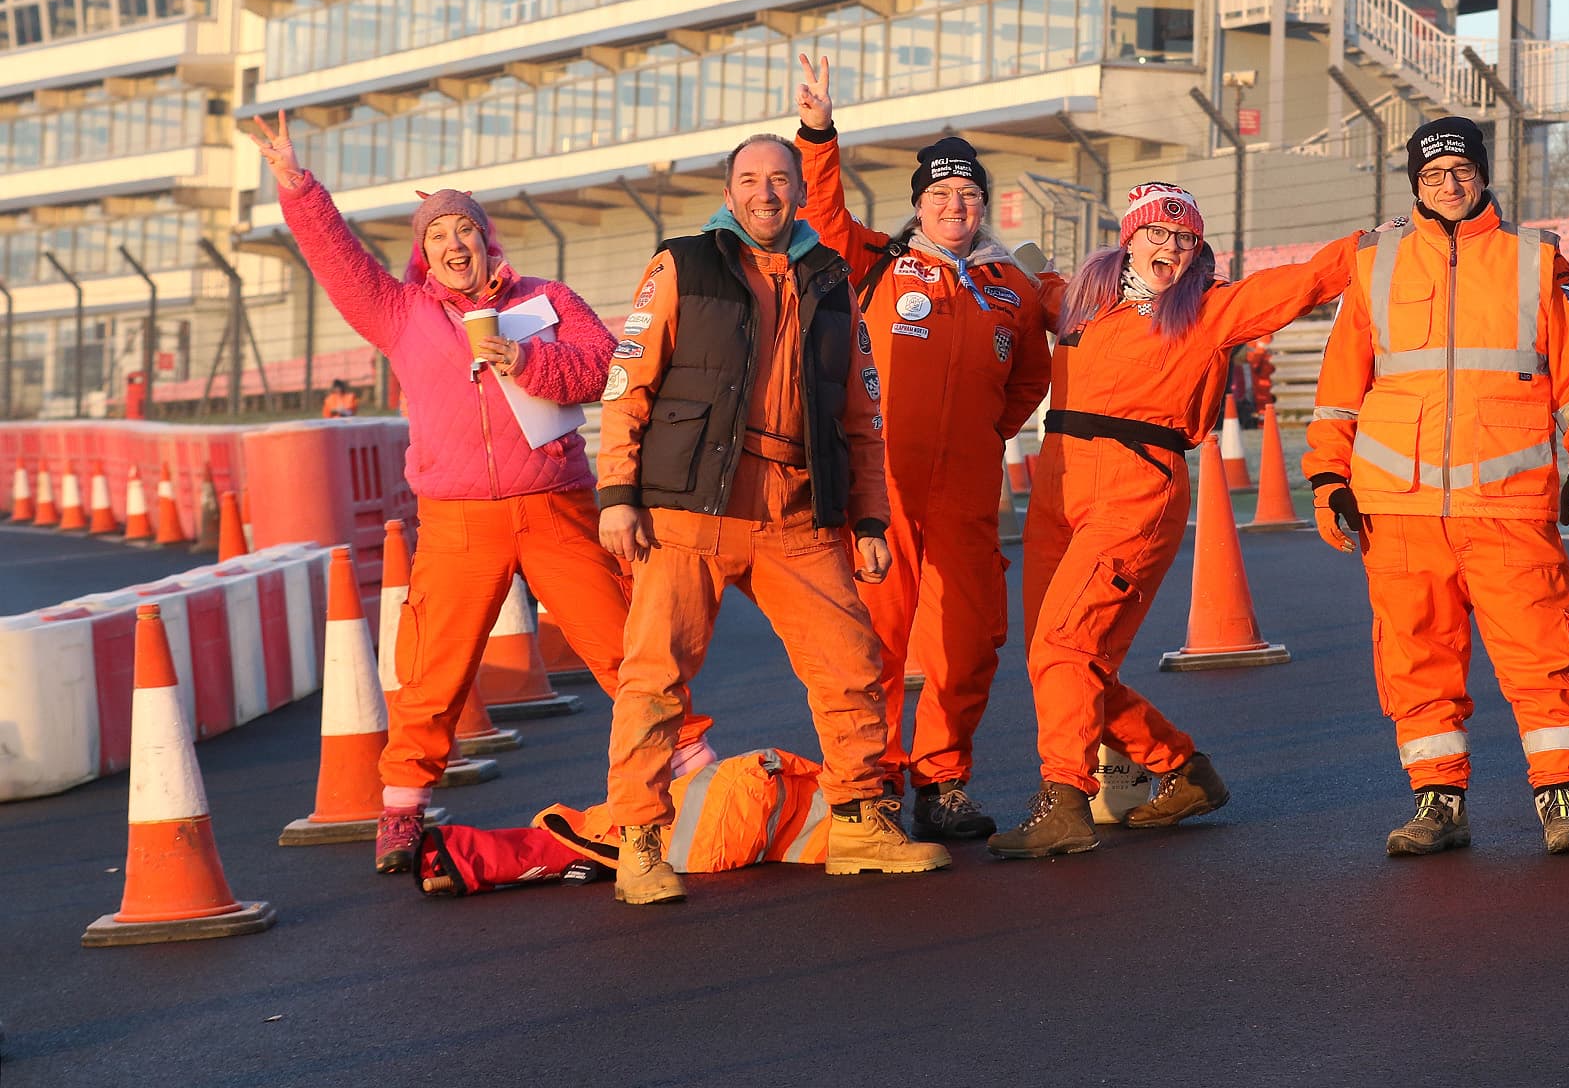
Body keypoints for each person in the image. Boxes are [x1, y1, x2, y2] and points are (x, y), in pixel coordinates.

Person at [243, 111, 713, 876]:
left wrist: (526, 357)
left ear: (486, 239)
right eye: (437, 236)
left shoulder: (549, 297)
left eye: (463, 231)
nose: (453, 245)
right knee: (434, 667)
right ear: (422, 255)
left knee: (627, 647)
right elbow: (338, 260)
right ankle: (401, 810)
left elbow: (604, 369)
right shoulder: (400, 314)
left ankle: (695, 765)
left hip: (559, 506)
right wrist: (300, 188)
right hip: (456, 520)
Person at [597, 132, 950, 902]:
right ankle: (639, 840)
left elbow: (861, 407)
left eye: (780, 179)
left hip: (796, 510)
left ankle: (860, 818)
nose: (765, 193)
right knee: (655, 677)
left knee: (851, 663)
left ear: (796, 191)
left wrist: (867, 518)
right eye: (750, 180)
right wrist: (618, 494)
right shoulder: (681, 264)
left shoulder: (831, 277)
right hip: (689, 508)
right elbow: (628, 384)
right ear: (729, 194)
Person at [990, 184, 1357, 859]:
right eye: (1159, 232)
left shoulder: (1207, 311)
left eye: (1186, 238)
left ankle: (1064, 803)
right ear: (1129, 237)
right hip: (1058, 487)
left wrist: (1376, 242)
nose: (1172, 247)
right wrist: (982, 245)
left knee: (1064, 649)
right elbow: (1026, 276)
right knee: (1062, 661)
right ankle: (1185, 770)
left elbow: (1302, 283)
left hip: (1135, 490)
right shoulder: (1078, 299)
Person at [1307, 116, 1569, 857]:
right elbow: (1340, 387)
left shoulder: (1535, 261)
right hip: (1400, 507)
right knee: (1416, 658)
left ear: (1483, 174)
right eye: (1432, 174)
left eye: (1461, 170)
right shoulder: (1375, 263)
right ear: (1415, 183)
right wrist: (1326, 476)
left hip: (1509, 503)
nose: (1448, 184)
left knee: (1542, 651)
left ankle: (1561, 797)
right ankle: (1438, 802)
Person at [791, 60, 1052, 841]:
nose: (955, 206)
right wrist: (817, 135)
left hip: (970, 488)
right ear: (917, 205)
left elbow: (1030, 378)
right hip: (884, 489)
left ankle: (943, 782)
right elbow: (826, 216)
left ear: (983, 203)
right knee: (873, 641)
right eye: (940, 195)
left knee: (969, 642)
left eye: (968, 194)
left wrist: (985, 437)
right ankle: (870, 784)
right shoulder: (874, 262)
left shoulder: (1012, 285)